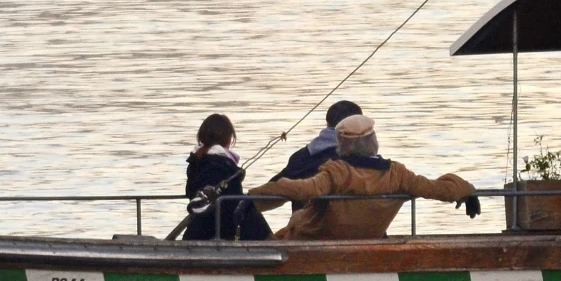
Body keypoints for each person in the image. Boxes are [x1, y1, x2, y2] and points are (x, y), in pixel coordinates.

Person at [253, 113, 481, 240]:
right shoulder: (397, 173)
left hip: (310, 241)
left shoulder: (336, 171)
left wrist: (253, 196)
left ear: (341, 144)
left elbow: (303, 190)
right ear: (374, 142)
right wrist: (467, 189)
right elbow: (439, 189)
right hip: (369, 240)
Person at [181, 114, 271, 241]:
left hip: (197, 228)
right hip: (219, 229)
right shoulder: (220, 164)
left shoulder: (197, 162)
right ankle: (273, 244)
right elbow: (231, 205)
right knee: (248, 207)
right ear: (228, 138)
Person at [275, 100, 364, 182]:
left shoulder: (300, 157)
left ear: (327, 124)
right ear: (359, 127)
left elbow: (270, 192)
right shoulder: (368, 161)